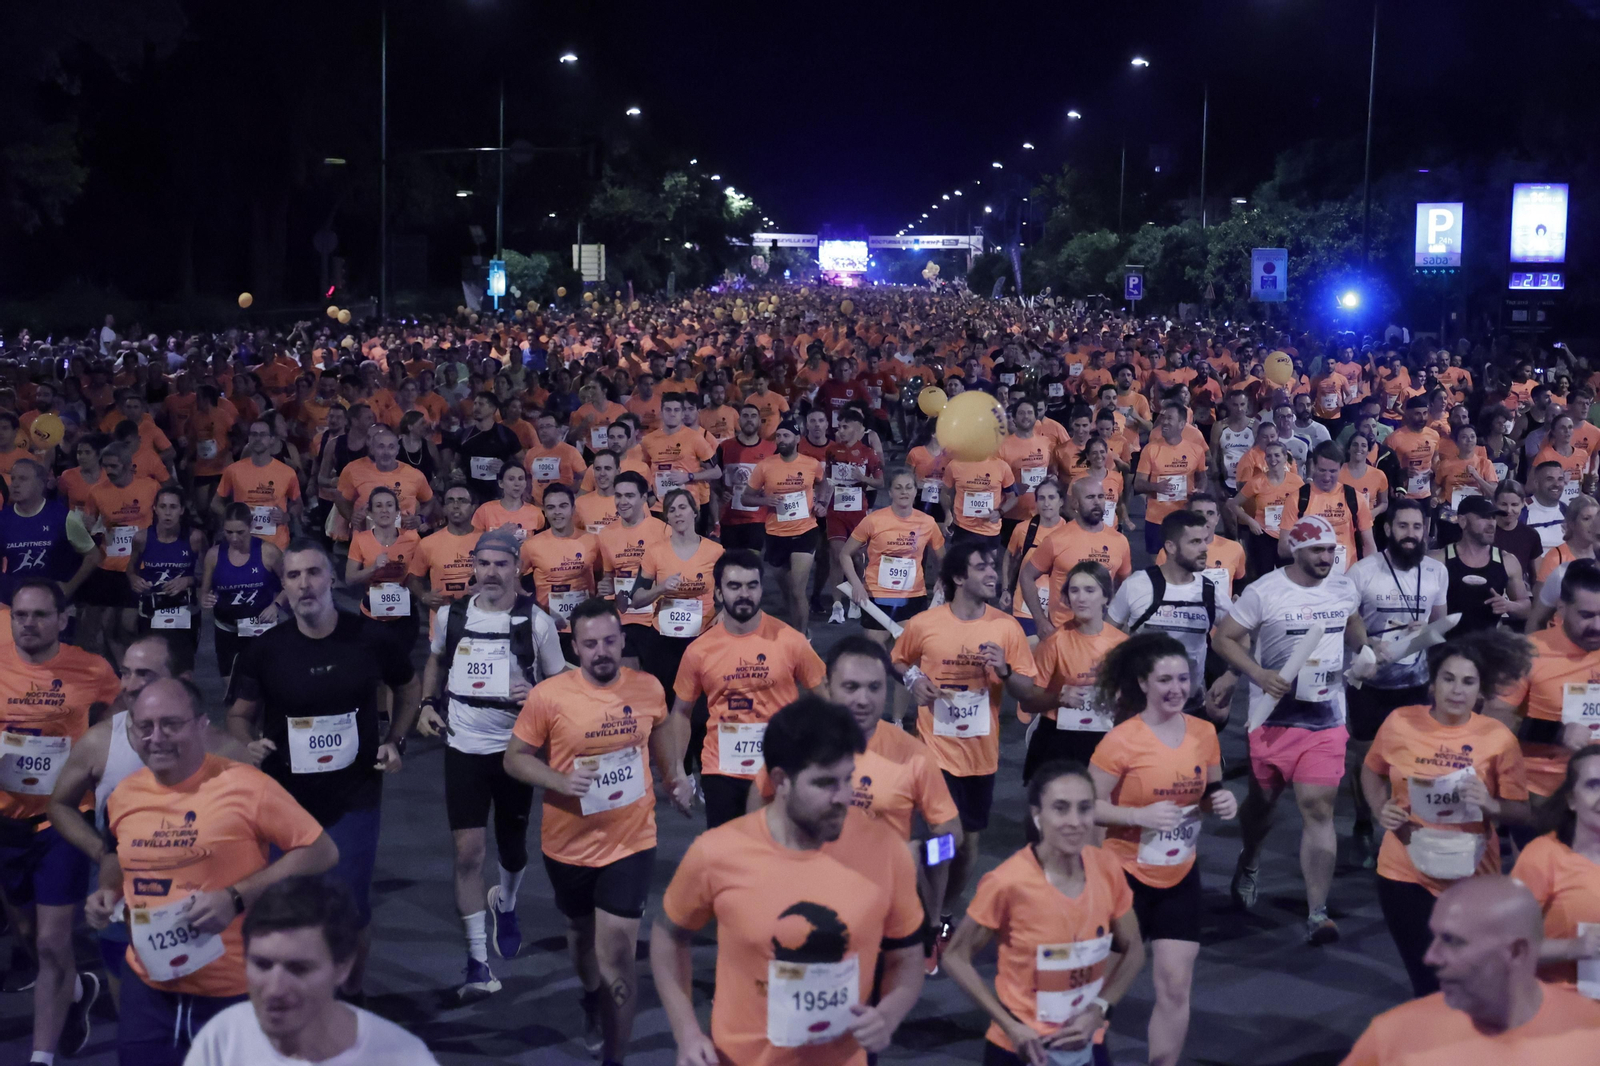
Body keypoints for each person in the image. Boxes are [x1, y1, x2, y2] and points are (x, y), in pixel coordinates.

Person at [650, 696, 926, 1066]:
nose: (843, 797)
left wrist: (889, 1014)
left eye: (848, 779)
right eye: (825, 783)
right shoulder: (718, 853)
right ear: (781, 780)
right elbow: (668, 937)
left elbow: (908, 958)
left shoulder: (885, 851)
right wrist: (686, 1032)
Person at [87, 679, 338, 1066]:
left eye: (171, 724)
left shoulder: (246, 785)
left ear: (201, 725)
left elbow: (321, 850)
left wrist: (237, 896)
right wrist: (108, 892)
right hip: (149, 990)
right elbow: (119, 854)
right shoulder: (124, 795)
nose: (157, 738)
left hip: (233, 990)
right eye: (144, 726)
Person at [226, 540, 420, 996]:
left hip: (353, 796)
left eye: (313, 573)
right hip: (284, 800)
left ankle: (349, 1000)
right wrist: (247, 746)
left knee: (348, 909)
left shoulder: (370, 638)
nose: (304, 584)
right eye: (293, 576)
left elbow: (409, 689)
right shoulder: (267, 649)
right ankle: (295, 1000)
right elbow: (238, 715)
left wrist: (396, 741)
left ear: (330, 579)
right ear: (284, 587)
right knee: (284, 906)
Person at [504, 598, 687, 1062]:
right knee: (581, 936)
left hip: (632, 839)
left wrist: (674, 777)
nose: (601, 651)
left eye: (609, 641)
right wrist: (560, 780)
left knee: (619, 952)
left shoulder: (647, 688)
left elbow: (662, 728)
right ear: (576, 646)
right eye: (590, 644)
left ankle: (615, 1055)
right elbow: (515, 759)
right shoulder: (550, 696)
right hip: (567, 844)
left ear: (622, 640)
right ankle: (591, 999)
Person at [1212, 514, 1383, 945]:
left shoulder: (1343, 585)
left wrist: (1360, 648)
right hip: (1272, 717)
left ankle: (1317, 911)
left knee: (1319, 808)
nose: (1327, 558)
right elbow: (1224, 637)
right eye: (1318, 551)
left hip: (1326, 717)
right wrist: (1256, 674)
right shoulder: (1264, 591)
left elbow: (1350, 618)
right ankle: (1250, 860)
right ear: (1296, 550)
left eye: (1331, 550)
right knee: (1263, 805)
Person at [417, 525, 567, 996]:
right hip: (463, 746)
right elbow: (435, 661)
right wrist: (425, 704)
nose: (491, 573)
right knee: (467, 852)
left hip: (515, 750)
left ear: (517, 568)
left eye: (501, 564)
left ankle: (507, 900)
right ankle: (478, 964)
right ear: (474, 566)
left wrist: (536, 692)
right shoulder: (451, 616)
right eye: (484, 564)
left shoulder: (536, 623)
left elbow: (562, 688)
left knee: (513, 848)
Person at [1087, 632, 1238, 1066]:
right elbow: (1084, 806)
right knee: (1102, 991)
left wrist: (1220, 802)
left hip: (1179, 875)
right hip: (1124, 878)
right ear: (1143, 683)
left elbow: (1208, 794)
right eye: (1164, 680)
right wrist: (1137, 817)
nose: (1176, 689)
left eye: (1183, 678)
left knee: (1175, 985)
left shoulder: (1204, 733)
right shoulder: (1120, 740)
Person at [1361, 631, 1534, 996]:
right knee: (1429, 985)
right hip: (1404, 873)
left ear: (1480, 691)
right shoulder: (1400, 722)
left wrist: (1489, 804)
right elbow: (1371, 769)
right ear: (1432, 683)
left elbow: (1520, 813)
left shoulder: (1498, 738)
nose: (1457, 690)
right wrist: (1382, 810)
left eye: (1468, 682)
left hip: (1471, 879)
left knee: (1471, 982)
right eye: (1449, 679)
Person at [942, 761, 1145, 1066]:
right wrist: (1010, 1026)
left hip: (1087, 1040)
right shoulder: (1008, 882)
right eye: (1061, 809)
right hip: (1023, 1048)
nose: (1075, 822)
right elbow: (955, 956)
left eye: (1085, 808)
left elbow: (1135, 950)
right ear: (1037, 815)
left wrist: (1100, 1009)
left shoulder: (1107, 868)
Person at [893, 542, 1040, 945]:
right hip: (933, 751)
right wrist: (913, 682)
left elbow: (1027, 692)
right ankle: (928, 916)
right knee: (943, 839)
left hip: (980, 753)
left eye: (993, 567)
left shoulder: (1005, 628)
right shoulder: (925, 624)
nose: (993, 574)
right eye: (982, 567)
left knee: (968, 844)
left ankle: (942, 909)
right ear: (959, 577)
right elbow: (899, 660)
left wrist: (1006, 671)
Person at [0, 581, 121, 1062]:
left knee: (52, 943)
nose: (28, 624)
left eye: (39, 615)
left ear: (62, 618)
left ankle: (41, 1056)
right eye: (20, 616)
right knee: (30, 939)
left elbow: (118, 713)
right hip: (5, 823)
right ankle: (76, 992)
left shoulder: (90, 668)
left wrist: (92, 759)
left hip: (62, 819)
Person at [1339, 875, 1600, 1066]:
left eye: (1454, 941)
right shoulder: (1392, 1036)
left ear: (1516, 951)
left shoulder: (1589, 1030)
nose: (1430, 956)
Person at [182, 876, 438, 1065]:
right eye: (262, 964)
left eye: (298, 969)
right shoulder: (223, 1039)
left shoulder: (405, 1058)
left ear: (343, 967)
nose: (275, 988)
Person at [669, 549, 827, 827]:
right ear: (718, 594)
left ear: (761, 588)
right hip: (721, 772)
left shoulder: (790, 641)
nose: (744, 594)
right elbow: (681, 712)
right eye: (734, 586)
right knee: (729, 860)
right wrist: (678, 772)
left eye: (751, 585)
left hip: (779, 769)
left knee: (776, 858)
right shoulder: (699, 651)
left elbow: (826, 699)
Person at [1345, 498, 1450, 858]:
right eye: (1403, 526)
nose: (1410, 534)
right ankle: (1362, 822)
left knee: (1413, 761)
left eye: (1417, 527)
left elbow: (1441, 626)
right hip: (1368, 683)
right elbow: (1347, 619)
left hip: (1414, 683)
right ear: (1388, 529)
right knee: (1364, 760)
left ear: (1426, 531)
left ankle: (1406, 830)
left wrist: (1429, 630)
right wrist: (1365, 642)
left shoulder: (1437, 572)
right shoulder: (1362, 570)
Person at [1488, 560, 1600, 802]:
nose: (1597, 626)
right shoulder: (1528, 651)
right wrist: (1555, 733)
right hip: (1542, 791)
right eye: (1586, 615)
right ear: (1561, 607)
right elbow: (1493, 722)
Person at [1108, 510, 1234, 721]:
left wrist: (1231, 675)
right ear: (1171, 547)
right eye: (1194, 542)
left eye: (1204, 541)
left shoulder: (1211, 592)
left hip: (1190, 706)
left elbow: (1241, 635)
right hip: (1139, 705)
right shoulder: (1137, 585)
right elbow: (1106, 636)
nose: (1204, 548)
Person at [1022, 561, 1128, 779]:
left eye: (1090, 590)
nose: (1081, 597)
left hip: (1106, 740)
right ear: (1067, 598)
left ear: (1106, 597)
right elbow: (1028, 701)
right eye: (1074, 590)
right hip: (1059, 742)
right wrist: (1059, 698)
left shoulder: (1123, 645)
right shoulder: (1053, 643)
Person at [1510, 743, 1600, 987]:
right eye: (1594, 785)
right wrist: (1573, 947)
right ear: (1571, 799)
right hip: (1560, 1008)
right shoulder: (1542, 856)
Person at [622, 488, 723, 697]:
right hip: (664, 638)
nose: (678, 513)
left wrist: (724, 613)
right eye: (672, 510)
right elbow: (636, 599)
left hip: (702, 636)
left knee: (701, 702)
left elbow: (731, 591)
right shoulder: (655, 552)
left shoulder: (715, 551)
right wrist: (660, 588)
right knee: (662, 700)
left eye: (683, 507)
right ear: (666, 516)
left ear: (694, 512)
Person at [739, 418, 826, 635]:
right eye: (778, 436)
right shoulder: (765, 466)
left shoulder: (810, 464)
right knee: (788, 590)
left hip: (805, 531)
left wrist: (822, 503)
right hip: (776, 533)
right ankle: (796, 626)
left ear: (797, 439)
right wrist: (764, 501)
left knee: (797, 590)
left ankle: (802, 636)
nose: (781, 439)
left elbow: (824, 483)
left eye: (786, 435)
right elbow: (746, 498)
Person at [1018, 478, 1133, 636]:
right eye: (1090, 497)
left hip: (1100, 634)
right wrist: (1040, 621)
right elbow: (1026, 576)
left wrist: (1117, 619)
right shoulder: (1056, 540)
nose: (1097, 502)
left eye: (1101, 497)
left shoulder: (1120, 541)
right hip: (1061, 632)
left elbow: (1126, 585)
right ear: (1075, 503)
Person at [198, 503, 286, 682]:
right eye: (228, 532)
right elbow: (204, 592)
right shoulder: (214, 555)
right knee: (231, 690)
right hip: (227, 630)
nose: (234, 538)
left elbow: (290, 584)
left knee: (264, 685)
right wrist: (205, 599)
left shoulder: (268, 552)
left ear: (251, 526)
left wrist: (276, 605)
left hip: (260, 629)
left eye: (240, 532)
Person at [0, 458, 100, 605]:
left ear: (40, 484)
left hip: (52, 603)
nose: (15, 484)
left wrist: (69, 587)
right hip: (14, 602)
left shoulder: (63, 517)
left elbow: (93, 555)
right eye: (13, 478)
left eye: (23, 479)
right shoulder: (3, 519)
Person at [596, 471, 669, 667]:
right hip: (624, 618)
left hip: (655, 620)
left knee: (657, 683)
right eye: (618, 495)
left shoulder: (663, 530)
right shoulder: (606, 535)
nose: (622, 501)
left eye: (629, 495)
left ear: (644, 498)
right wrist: (606, 587)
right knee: (631, 684)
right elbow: (610, 576)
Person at [1276, 441, 1376, 573]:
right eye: (1322, 470)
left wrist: (1370, 575)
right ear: (1314, 467)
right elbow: (1283, 548)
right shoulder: (1297, 499)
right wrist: (1313, 551)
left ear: (1341, 468)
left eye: (1333, 471)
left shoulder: (1354, 498)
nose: (1327, 477)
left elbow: (1369, 544)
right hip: (1309, 579)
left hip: (1347, 578)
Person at [1438, 495, 1531, 635]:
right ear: (1463, 521)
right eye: (1484, 517)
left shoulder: (1508, 561)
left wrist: (1509, 605)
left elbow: (1526, 609)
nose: (1491, 523)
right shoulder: (1439, 560)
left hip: (1488, 650)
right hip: (1446, 649)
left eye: (1493, 517)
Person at [823, 409, 883, 624]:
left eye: (844, 427)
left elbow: (881, 482)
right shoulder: (831, 451)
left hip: (858, 512)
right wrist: (822, 500)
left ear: (857, 429)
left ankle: (856, 599)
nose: (840, 431)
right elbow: (827, 479)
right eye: (839, 427)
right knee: (838, 556)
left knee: (857, 557)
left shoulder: (868, 453)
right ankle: (837, 605)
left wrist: (863, 478)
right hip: (835, 510)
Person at [518, 482, 600, 640]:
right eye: (551, 507)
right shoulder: (531, 545)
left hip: (584, 624)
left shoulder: (591, 541)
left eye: (563, 506)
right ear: (545, 512)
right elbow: (513, 578)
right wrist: (530, 603)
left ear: (573, 509)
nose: (557, 512)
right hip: (547, 627)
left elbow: (601, 573)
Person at [128, 485, 206, 648]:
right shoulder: (141, 538)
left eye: (173, 507)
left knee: (183, 664)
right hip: (152, 611)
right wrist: (134, 579)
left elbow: (208, 576)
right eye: (163, 507)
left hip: (185, 611)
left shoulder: (195, 538)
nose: (168, 513)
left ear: (182, 510)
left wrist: (188, 580)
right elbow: (130, 569)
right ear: (155, 509)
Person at [212, 420, 303, 550]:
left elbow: (298, 504)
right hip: (243, 543)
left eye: (262, 434)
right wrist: (234, 518)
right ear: (249, 438)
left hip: (276, 544)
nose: (258, 438)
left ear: (272, 439)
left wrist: (286, 516)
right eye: (254, 434)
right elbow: (215, 504)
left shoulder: (287, 472)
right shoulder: (233, 470)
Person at [1134, 403, 1210, 556]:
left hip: (1185, 517)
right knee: (1157, 564)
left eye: (1170, 418)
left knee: (1184, 561)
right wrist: (1156, 487)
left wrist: (1200, 490)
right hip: (1157, 518)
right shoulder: (1150, 449)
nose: (1164, 422)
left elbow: (1202, 478)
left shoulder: (1196, 450)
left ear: (1182, 424)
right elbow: (1138, 484)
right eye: (1163, 418)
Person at [408, 484, 481, 635]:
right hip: (443, 622)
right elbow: (413, 577)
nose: (456, 506)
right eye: (450, 501)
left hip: (480, 618)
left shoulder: (486, 540)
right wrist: (423, 595)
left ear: (473, 507)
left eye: (462, 501)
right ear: (444, 508)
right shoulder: (428, 543)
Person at [1002, 476, 1067, 640]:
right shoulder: (1023, 529)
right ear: (1036, 502)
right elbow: (1009, 558)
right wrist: (1005, 589)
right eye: (1042, 498)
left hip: (1060, 608)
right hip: (1025, 606)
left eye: (1052, 498)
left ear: (1061, 502)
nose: (1046, 503)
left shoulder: (1071, 531)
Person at [716, 402, 776, 553]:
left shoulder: (771, 449)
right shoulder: (724, 447)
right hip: (729, 518)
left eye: (753, 416)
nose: (749, 419)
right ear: (739, 421)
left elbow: (777, 479)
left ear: (759, 421)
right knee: (731, 565)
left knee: (752, 563)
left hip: (758, 518)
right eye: (745, 416)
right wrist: (720, 492)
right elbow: (715, 477)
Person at [451, 392, 524, 503]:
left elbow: (522, 461)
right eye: (475, 404)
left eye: (481, 404)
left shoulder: (506, 434)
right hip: (471, 495)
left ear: (493, 408)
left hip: (498, 494)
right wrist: (455, 472)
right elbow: (455, 462)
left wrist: (505, 468)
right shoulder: (463, 435)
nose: (476, 407)